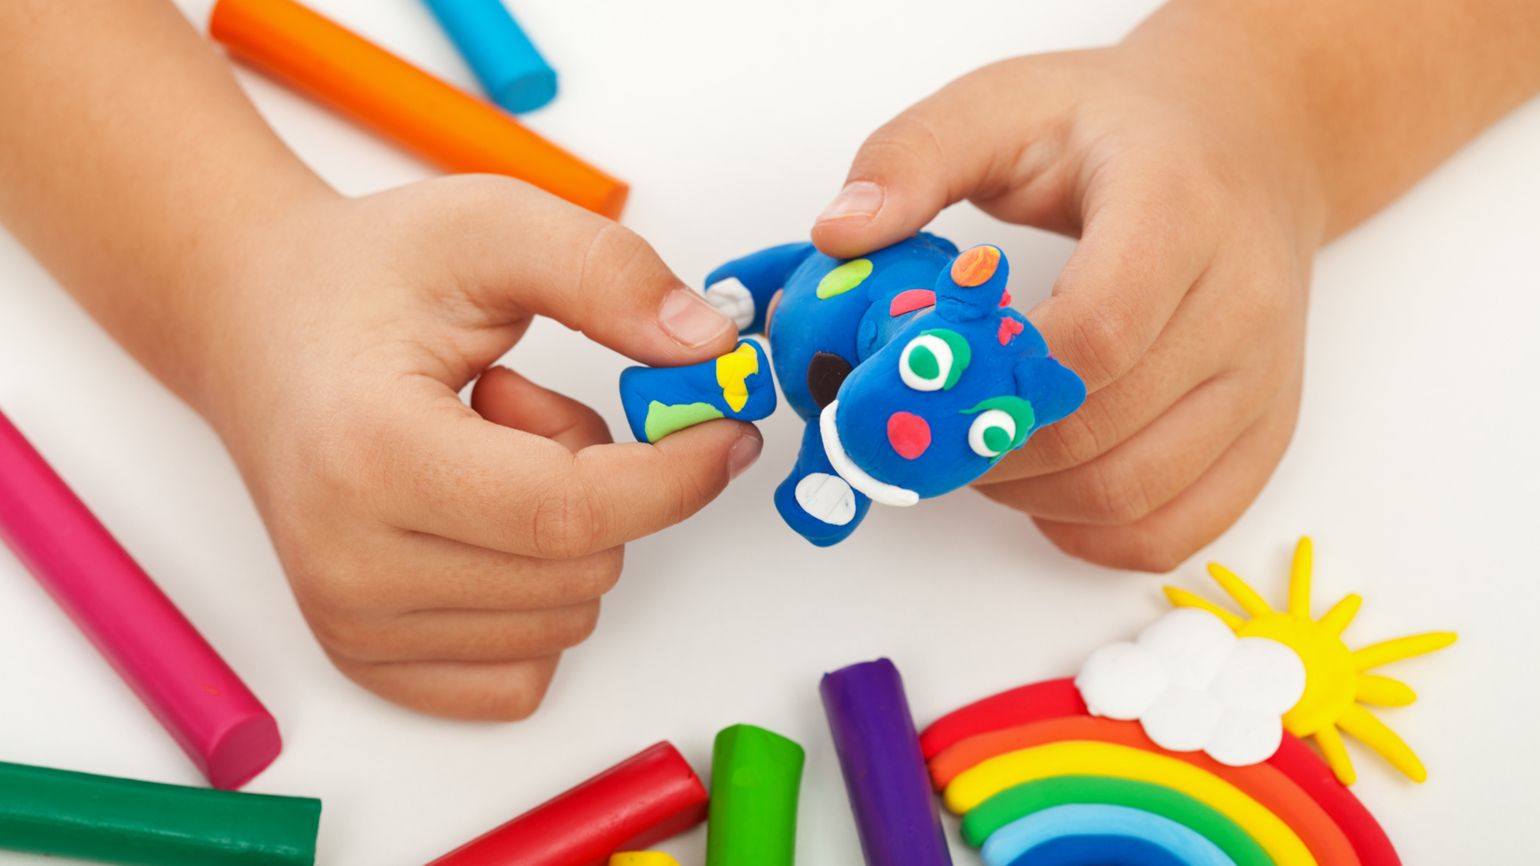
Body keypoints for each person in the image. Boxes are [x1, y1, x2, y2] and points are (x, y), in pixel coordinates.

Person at [1, 0, 1534, 720]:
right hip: (774, 327)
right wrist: (234, 279)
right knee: (729, 362)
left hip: (864, 327)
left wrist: (1274, 103)